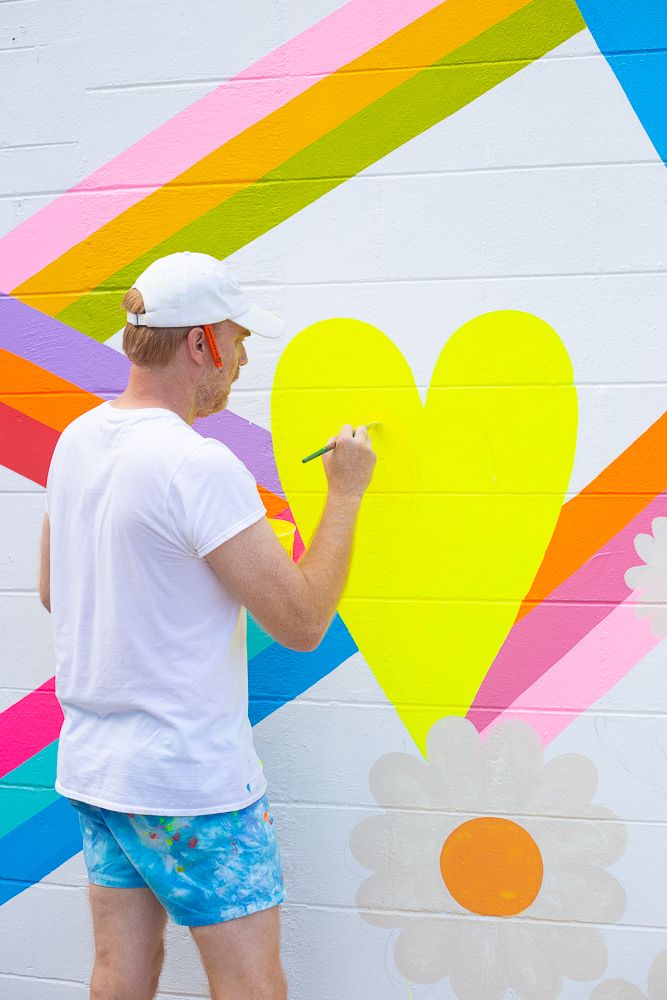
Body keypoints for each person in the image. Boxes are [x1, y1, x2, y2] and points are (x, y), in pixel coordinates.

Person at [37, 250, 376, 1000]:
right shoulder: (198, 465)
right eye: (239, 338)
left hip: (98, 770)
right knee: (250, 984)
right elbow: (301, 621)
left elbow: (53, 589)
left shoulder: (76, 442)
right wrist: (344, 492)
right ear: (201, 344)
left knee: (120, 973)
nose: (245, 357)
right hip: (190, 782)